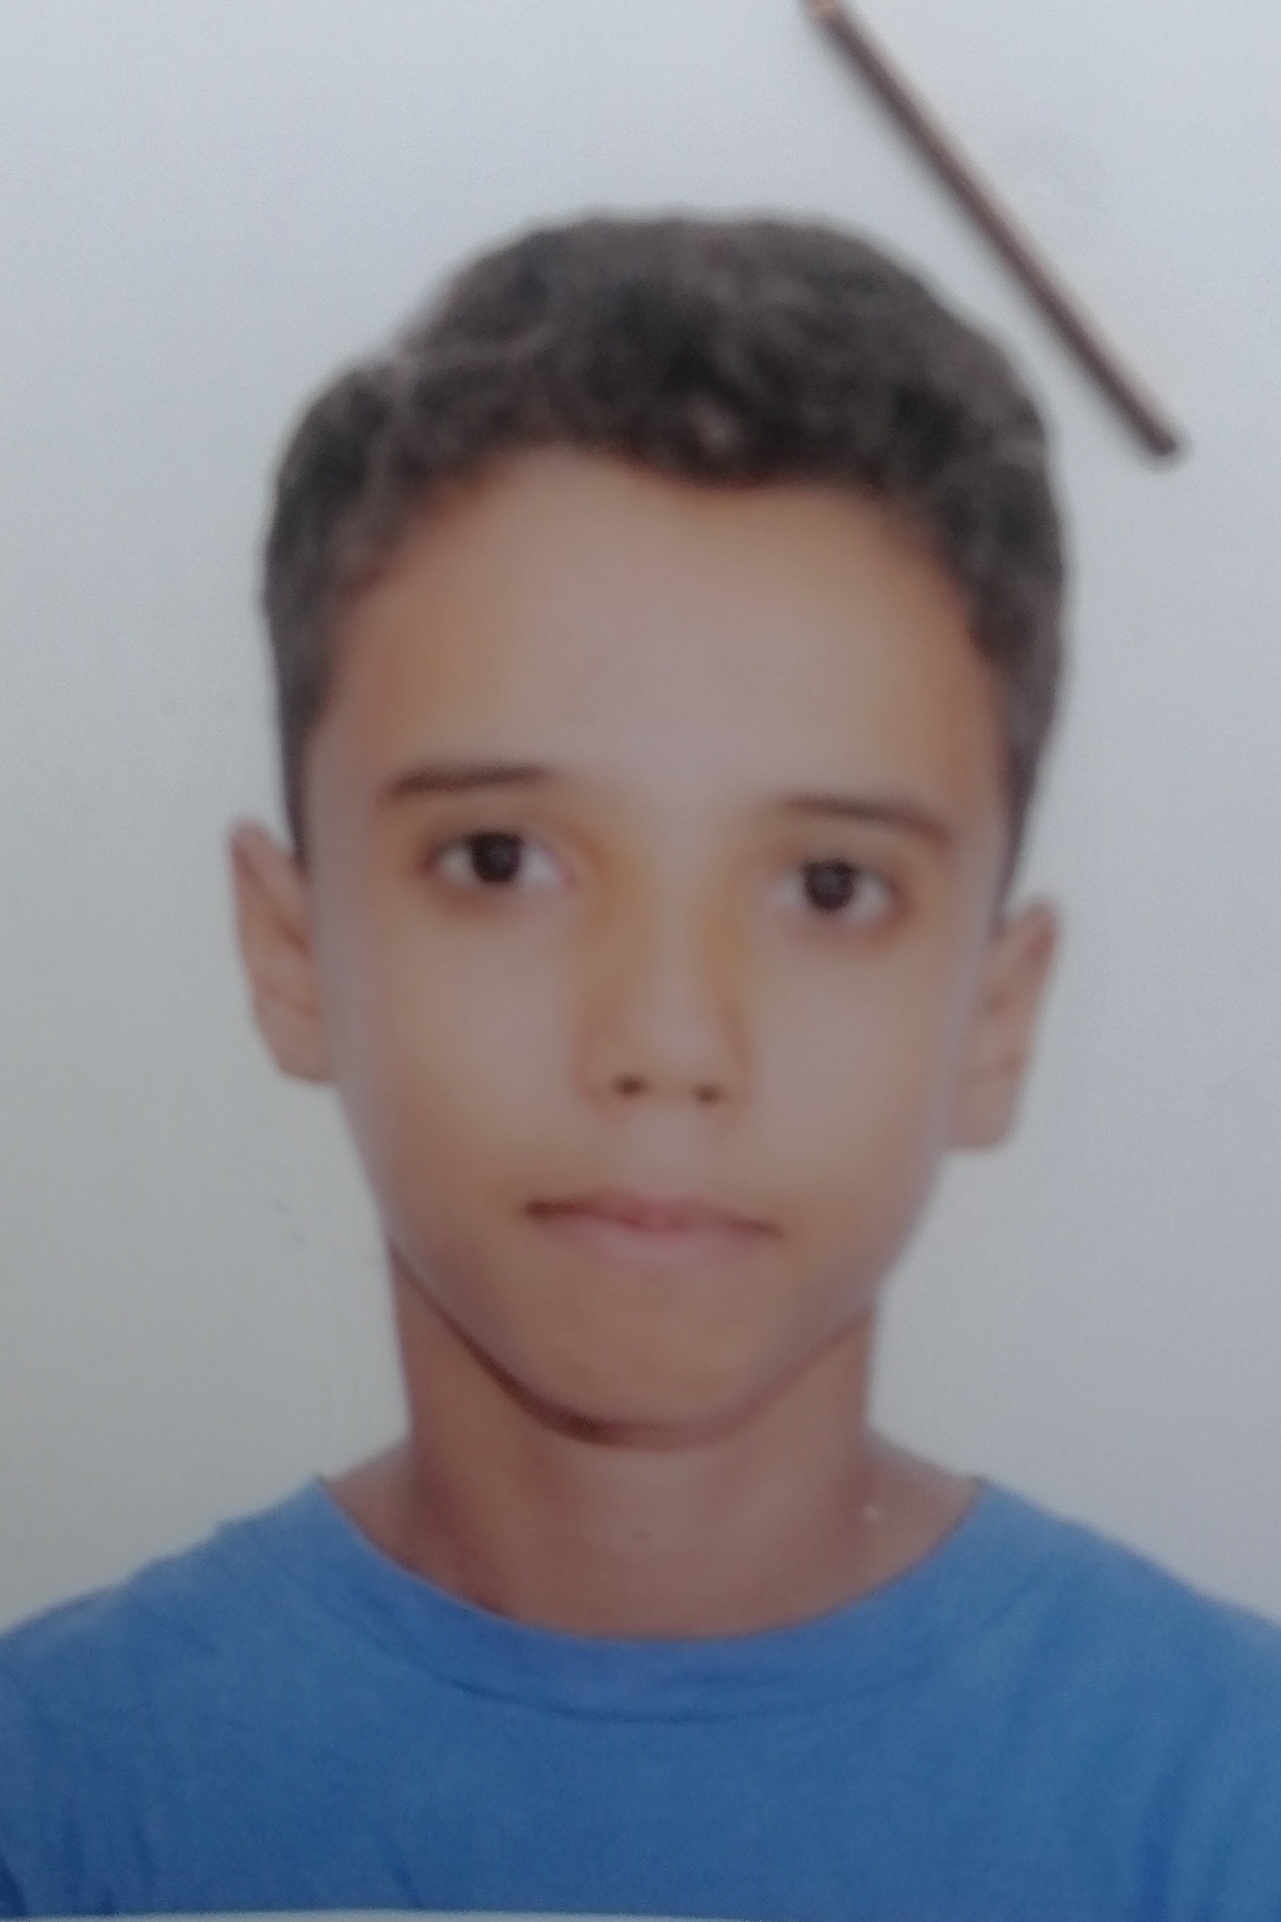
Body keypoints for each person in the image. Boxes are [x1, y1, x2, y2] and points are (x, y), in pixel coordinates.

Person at [1, 213, 1279, 1922]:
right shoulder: (56, 1806)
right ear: (291, 952)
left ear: (995, 1014)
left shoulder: (1229, 1802)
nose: (668, 1039)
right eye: (502, 860)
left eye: (829, 887)